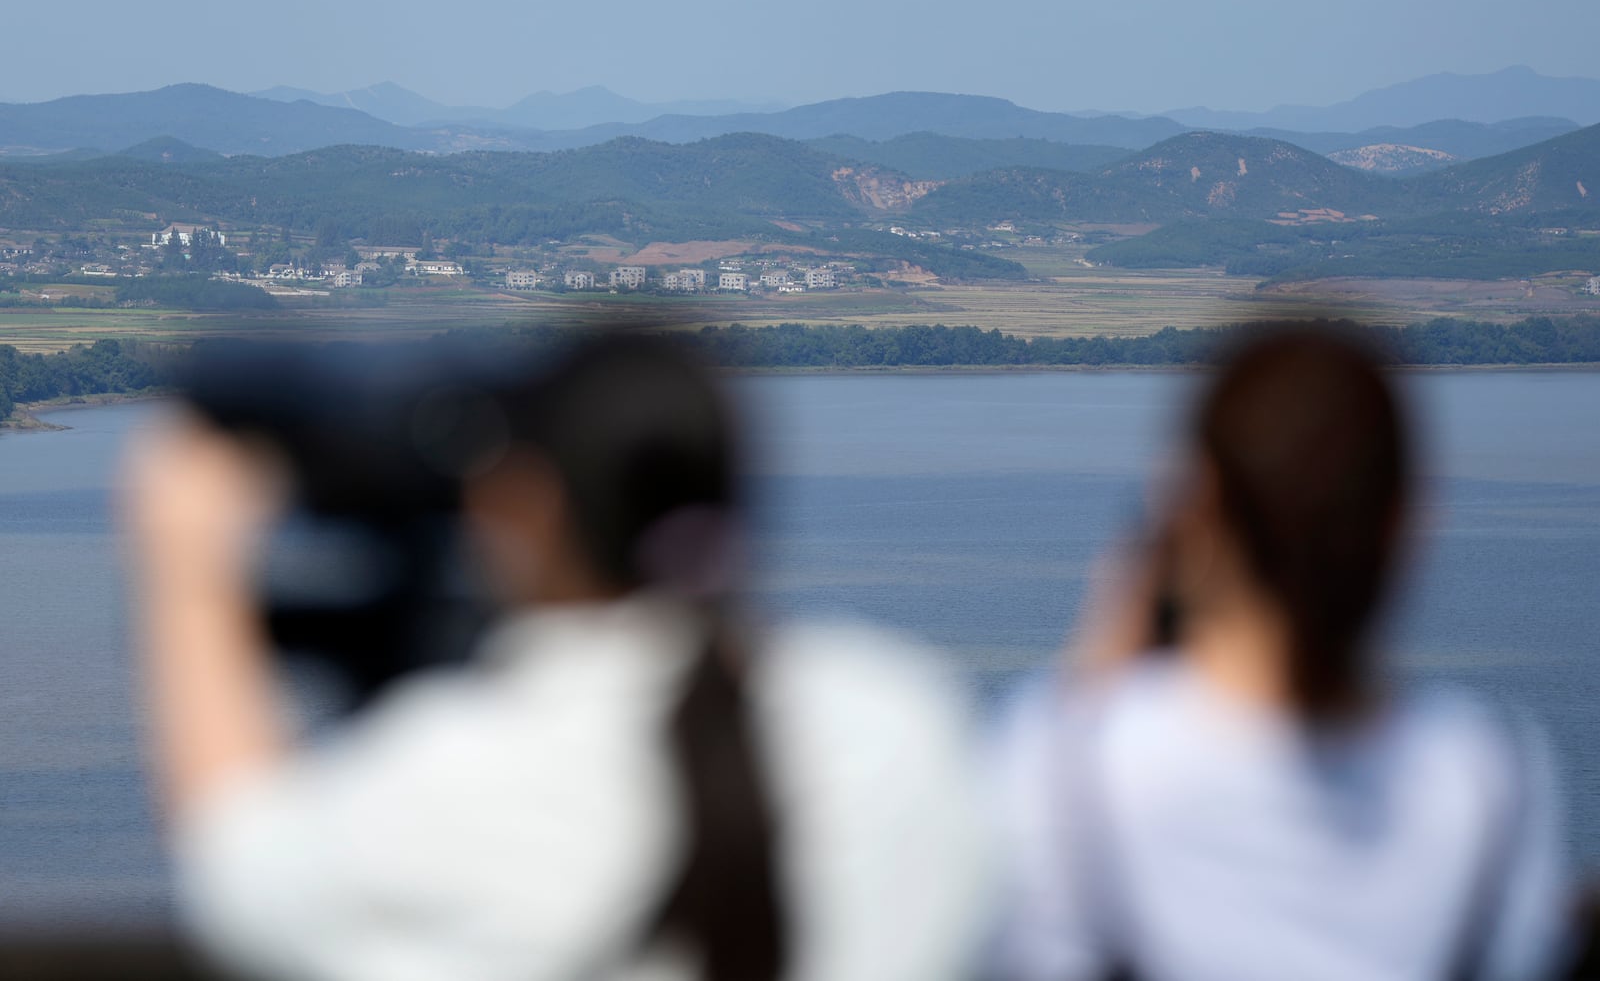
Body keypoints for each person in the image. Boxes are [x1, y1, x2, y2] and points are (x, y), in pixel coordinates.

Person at [125, 334, 991, 981]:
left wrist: (189, 569)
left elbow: (237, 864)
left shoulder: (466, 775)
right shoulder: (901, 720)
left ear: (528, 509)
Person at [989, 325, 1573, 981]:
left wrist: (1104, 651)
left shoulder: (1070, 766)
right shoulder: (1488, 780)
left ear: (1198, 508)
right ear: (1403, 519)